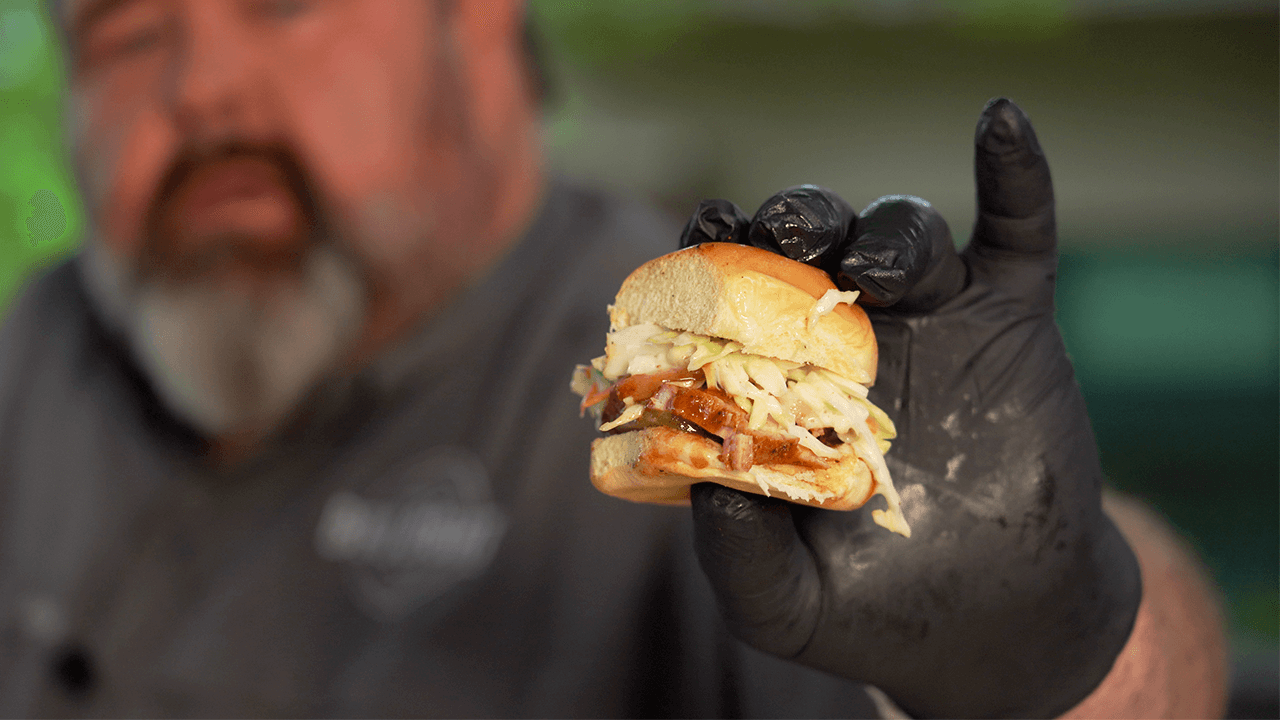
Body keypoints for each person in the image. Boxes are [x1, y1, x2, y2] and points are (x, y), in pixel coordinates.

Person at [0, 0, 1227, 717]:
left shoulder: (707, 373)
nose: (200, 85)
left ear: (477, 28)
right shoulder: (33, 353)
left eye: (278, 4)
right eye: (122, 33)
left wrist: (1056, 641)